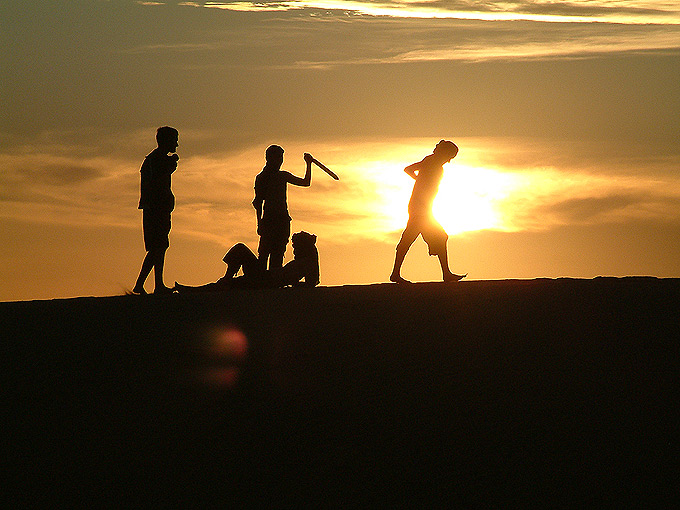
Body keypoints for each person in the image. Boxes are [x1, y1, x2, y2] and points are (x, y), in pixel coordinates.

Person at [390, 140, 466, 284]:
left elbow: (408, 170)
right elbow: (408, 169)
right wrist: (420, 180)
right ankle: (445, 273)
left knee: (416, 239)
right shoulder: (431, 162)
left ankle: (445, 272)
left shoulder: (432, 162)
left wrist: (419, 180)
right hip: (421, 209)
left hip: (423, 208)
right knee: (412, 239)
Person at [174, 231, 320, 292]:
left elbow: (310, 283)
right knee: (239, 253)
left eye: (295, 246)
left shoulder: (305, 264)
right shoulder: (303, 263)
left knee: (240, 251)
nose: (293, 250)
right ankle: (223, 281)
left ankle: (222, 281)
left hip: (265, 281)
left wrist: (292, 286)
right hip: (266, 278)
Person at [132, 126, 179, 295]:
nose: (177, 144)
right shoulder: (156, 160)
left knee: (159, 247)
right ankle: (154, 284)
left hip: (159, 209)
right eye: (174, 140)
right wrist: (170, 166)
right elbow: (155, 183)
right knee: (158, 246)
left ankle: (152, 284)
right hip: (155, 210)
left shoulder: (157, 160)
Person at [253, 145, 313, 270]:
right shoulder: (262, 178)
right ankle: (262, 283)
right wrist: (259, 224)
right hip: (269, 221)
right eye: (278, 157)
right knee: (264, 254)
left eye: (281, 158)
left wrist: (308, 164)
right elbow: (258, 203)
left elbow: (305, 182)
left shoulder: (282, 176)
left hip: (282, 221)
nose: (280, 161)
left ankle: (273, 283)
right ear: (269, 158)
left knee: (278, 254)